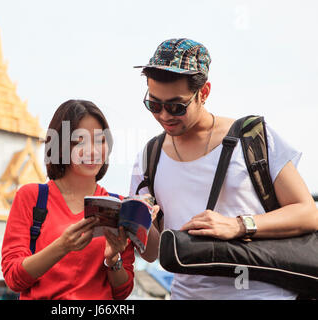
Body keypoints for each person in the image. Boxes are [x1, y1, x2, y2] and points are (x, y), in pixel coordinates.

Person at [130, 38, 317, 300]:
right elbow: (152, 252)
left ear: (204, 93)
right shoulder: (149, 157)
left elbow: (308, 213)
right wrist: (129, 223)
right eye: (154, 104)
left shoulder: (251, 138)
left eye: (176, 106)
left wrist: (239, 225)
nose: (164, 115)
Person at [1, 99, 135, 300]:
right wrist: (61, 247)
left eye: (100, 140)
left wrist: (113, 259)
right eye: (80, 141)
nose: (92, 151)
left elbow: (122, 292)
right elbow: (13, 278)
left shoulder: (118, 205)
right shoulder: (32, 197)